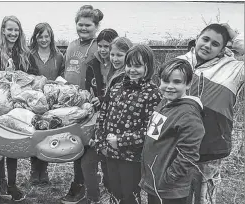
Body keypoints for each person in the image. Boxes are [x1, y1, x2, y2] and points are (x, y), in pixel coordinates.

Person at [176, 23, 244, 204]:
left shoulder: (235, 69)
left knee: (203, 198)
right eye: (205, 39)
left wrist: (236, 37)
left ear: (223, 49)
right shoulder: (180, 62)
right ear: (197, 38)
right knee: (176, 196)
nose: (207, 45)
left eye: (215, 44)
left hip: (211, 146)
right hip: (177, 145)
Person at [94, 44, 162, 204]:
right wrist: (100, 142)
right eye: (129, 65)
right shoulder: (116, 88)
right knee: (114, 191)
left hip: (133, 157)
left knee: (130, 195)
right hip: (109, 153)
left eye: (137, 66)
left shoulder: (154, 94)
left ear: (148, 67)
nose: (132, 70)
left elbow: (154, 131)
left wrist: (122, 141)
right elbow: (102, 115)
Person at [0, 15, 39, 201]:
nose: (13, 33)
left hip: (19, 102)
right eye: (9, 29)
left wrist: (20, 79)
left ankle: (13, 184)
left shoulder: (25, 51)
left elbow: (33, 75)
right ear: (3, 30)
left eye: (16, 30)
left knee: (13, 142)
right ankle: (1, 182)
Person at [140, 58, 205, 204]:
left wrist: (169, 178)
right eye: (165, 81)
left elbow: (189, 154)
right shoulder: (165, 103)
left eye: (177, 82)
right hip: (155, 182)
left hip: (170, 190)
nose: (169, 86)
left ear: (188, 84)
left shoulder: (188, 114)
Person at [61, 5, 104, 204]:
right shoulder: (71, 45)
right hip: (73, 105)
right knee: (76, 145)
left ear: (96, 26)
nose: (83, 28)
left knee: (87, 149)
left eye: (88, 25)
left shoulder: (99, 46)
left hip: (91, 105)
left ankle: (83, 187)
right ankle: (81, 184)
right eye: (80, 24)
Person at [81, 28, 119, 204]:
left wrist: (103, 99)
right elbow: (88, 87)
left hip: (114, 119)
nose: (103, 50)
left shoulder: (120, 65)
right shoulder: (92, 64)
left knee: (107, 162)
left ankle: (111, 194)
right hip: (96, 117)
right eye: (100, 46)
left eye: (107, 47)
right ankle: (93, 196)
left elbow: (119, 94)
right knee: (88, 161)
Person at [28, 22, 64, 185]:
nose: (44, 39)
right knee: (35, 133)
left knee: (47, 133)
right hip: (34, 100)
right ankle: (35, 169)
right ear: (35, 37)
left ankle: (44, 169)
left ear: (51, 37)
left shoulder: (58, 56)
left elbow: (63, 77)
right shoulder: (29, 54)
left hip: (52, 101)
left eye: (46, 36)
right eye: (40, 36)